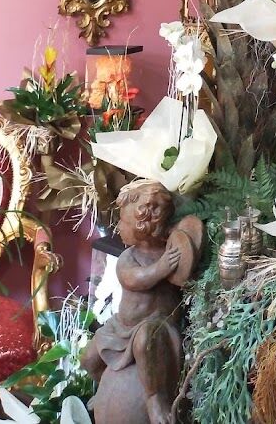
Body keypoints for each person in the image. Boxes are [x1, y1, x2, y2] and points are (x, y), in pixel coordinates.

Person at [82, 180, 196, 424]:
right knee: (89, 357)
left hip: (154, 326)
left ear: (144, 228)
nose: (118, 228)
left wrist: (176, 260)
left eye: (123, 222)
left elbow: (184, 273)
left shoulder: (168, 253)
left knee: (145, 342)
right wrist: (161, 268)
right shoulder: (128, 258)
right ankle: (102, 386)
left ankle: (155, 398)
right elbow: (135, 280)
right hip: (121, 326)